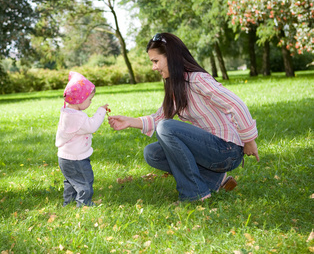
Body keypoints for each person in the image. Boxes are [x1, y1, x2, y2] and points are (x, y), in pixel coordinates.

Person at [108, 33, 259, 202]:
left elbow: (236, 104)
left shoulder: (197, 79)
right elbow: (159, 117)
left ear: (171, 57)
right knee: (152, 153)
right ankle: (215, 181)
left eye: (155, 61)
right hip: (209, 151)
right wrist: (129, 121)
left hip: (226, 151)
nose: (153, 67)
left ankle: (194, 194)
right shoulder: (177, 85)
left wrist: (249, 140)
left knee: (166, 128)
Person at [55, 71, 109, 207]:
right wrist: (101, 111)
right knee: (85, 180)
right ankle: (84, 204)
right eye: (89, 99)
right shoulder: (77, 117)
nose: (90, 102)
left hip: (65, 158)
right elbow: (92, 126)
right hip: (76, 159)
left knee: (71, 181)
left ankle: (68, 202)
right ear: (79, 99)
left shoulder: (68, 112)